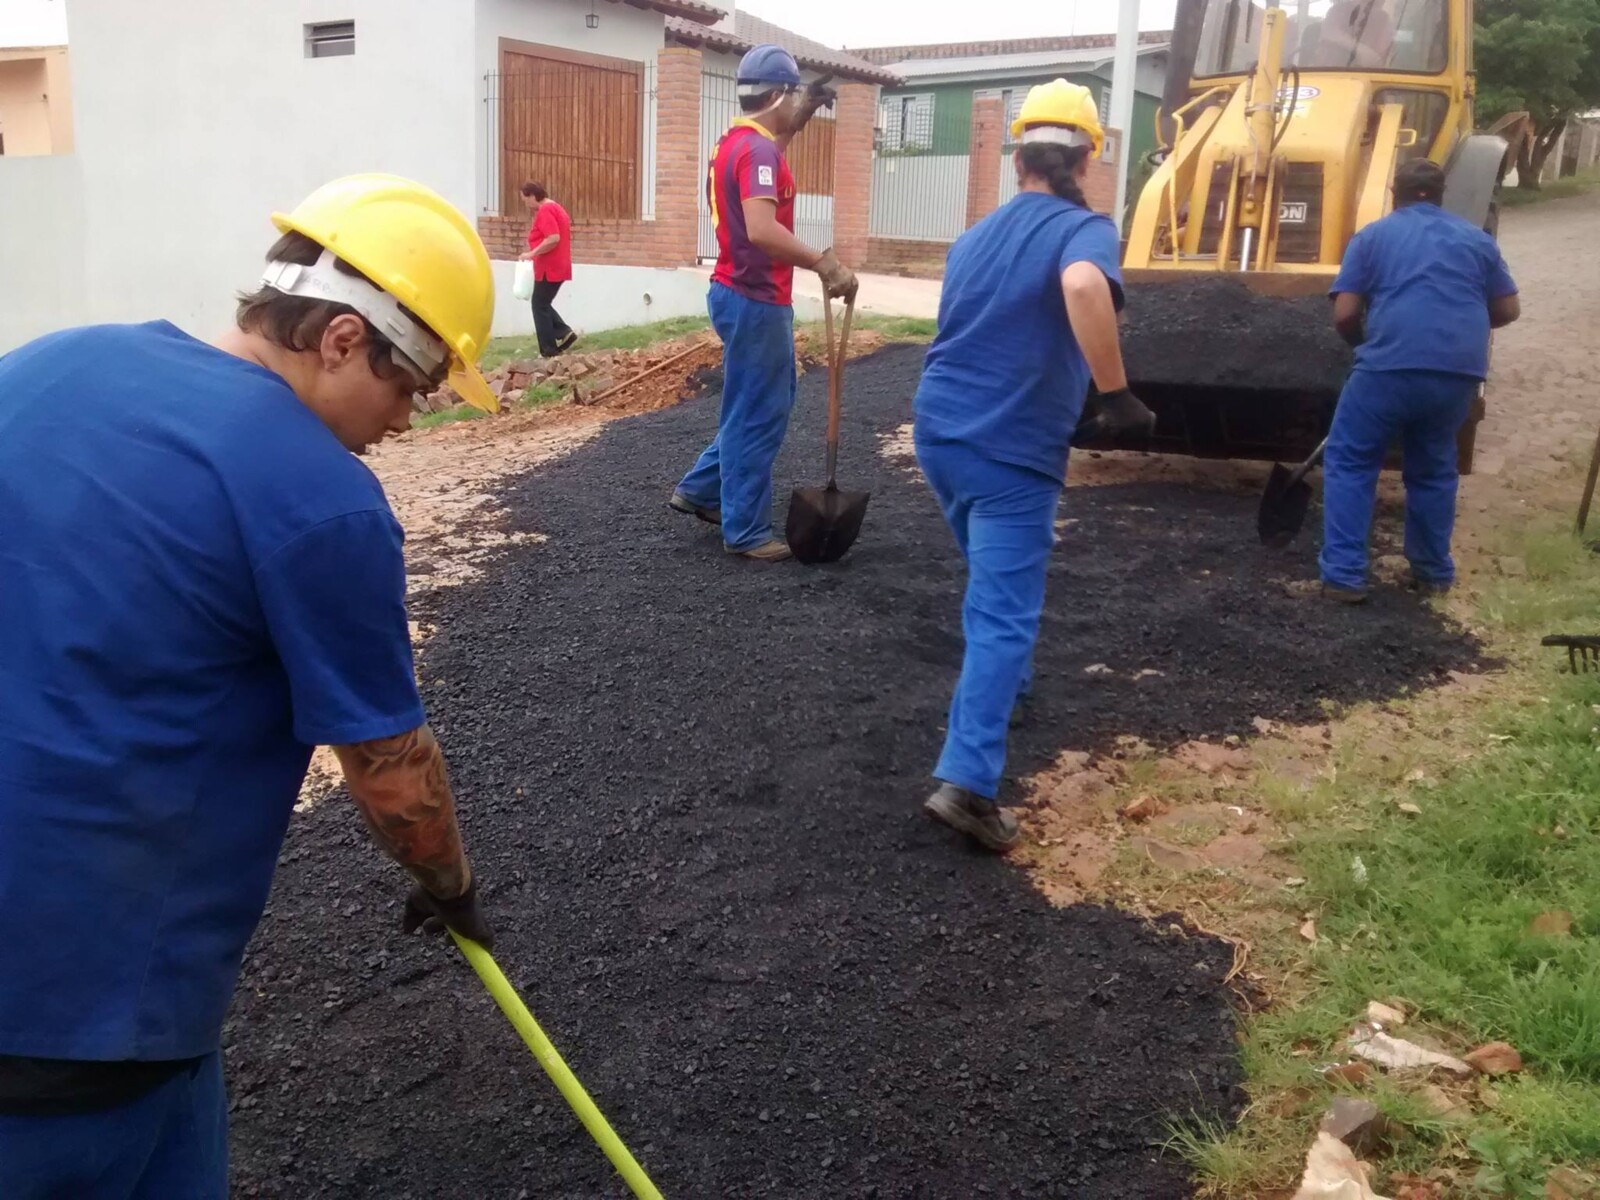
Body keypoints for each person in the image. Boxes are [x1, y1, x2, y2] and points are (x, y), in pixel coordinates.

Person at [0, 174, 499, 1198]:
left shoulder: (50, 364)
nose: (407, 422)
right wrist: (451, 888)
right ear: (343, 339)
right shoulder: (323, 500)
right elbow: (391, 772)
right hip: (82, 1011)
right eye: (411, 387)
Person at [913, 80, 1154, 852]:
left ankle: (1008, 687)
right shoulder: (1084, 229)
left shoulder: (972, 238)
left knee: (991, 585)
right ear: (1085, 160)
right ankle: (968, 783)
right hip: (1011, 449)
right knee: (1003, 611)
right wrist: (1115, 394)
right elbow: (1081, 285)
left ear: (1019, 158)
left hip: (940, 433)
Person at [669, 43, 859, 563]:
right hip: (756, 299)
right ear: (778, 95)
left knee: (756, 401)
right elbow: (761, 228)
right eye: (793, 95)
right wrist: (823, 263)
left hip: (734, 291)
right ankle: (746, 530)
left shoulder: (736, 142)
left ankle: (702, 489)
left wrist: (805, 112)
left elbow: (773, 144)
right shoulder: (759, 153)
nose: (796, 103)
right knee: (760, 412)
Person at [1320, 158, 1520, 603]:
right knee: (1433, 467)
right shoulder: (1476, 240)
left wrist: (1362, 345)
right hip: (1456, 373)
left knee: (1351, 462)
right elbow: (1508, 309)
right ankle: (1432, 574)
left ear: (1396, 194)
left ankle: (1344, 577)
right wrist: (1456, 329)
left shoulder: (1372, 237)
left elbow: (1345, 313)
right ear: (1442, 195)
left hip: (1387, 368)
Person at [520, 180, 577, 357]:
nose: (526, 204)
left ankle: (549, 348)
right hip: (558, 265)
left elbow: (553, 238)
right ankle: (563, 333)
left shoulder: (545, 210)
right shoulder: (555, 207)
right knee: (542, 304)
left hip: (549, 267)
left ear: (532, 196)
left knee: (539, 305)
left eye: (525, 200)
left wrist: (532, 253)